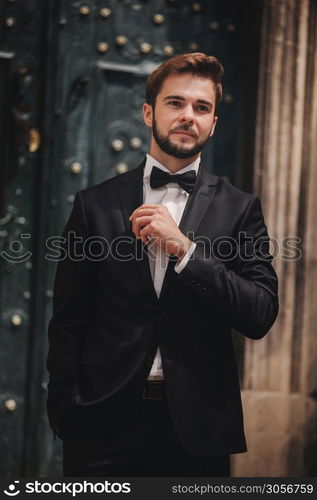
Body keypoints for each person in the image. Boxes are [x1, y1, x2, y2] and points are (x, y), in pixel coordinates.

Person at [47, 52, 279, 477]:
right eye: (176, 103)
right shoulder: (93, 205)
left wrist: (186, 251)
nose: (188, 115)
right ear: (148, 111)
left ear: (214, 123)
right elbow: (68, 318)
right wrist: (63, 407)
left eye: (202, 107)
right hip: (101, 425)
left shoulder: (241, 209)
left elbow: (260, 312)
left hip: (198, 428)